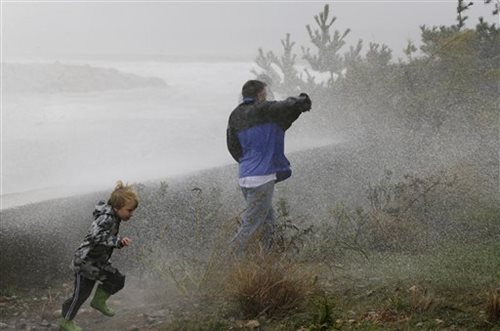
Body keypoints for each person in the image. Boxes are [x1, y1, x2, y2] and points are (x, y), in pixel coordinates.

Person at [226, 79, 311, 257]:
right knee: (251, 226)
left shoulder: (235, 115)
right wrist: (302, 100)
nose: (267, 96)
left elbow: (233, 147)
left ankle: (268, 260)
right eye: (265, 93)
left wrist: (249, 162)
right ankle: (225, 261)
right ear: (259, 95)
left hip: (245, 177)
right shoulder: (265, 111)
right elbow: (286, 106)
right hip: (262, 179)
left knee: (268, 223)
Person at [59, 181, 139, 331]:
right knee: (81, 295)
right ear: (117, 207)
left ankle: (98, 301)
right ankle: (66, 320)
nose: (131, 214)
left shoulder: (115, 217)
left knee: (117, 280)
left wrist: (119, 242)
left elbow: (106, 237)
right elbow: (95, 236)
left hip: (98, 262)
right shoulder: (106, 218)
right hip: (85, 262)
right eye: (129, 210)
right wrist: (117, 241)